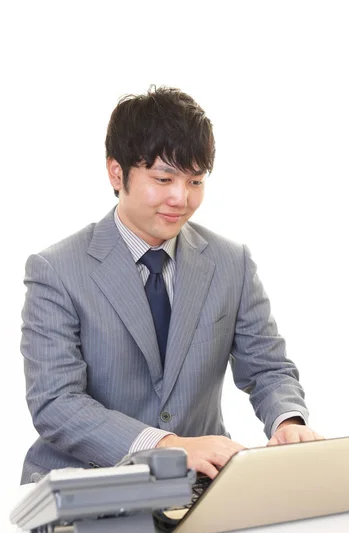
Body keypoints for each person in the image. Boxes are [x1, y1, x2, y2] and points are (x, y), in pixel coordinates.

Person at [20, 86, 322, 484]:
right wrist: (166, 444)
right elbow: (56, 404)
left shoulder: (232, 263)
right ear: (116, 172)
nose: (181, 198)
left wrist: (288, 420)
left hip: (200, 484)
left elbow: (268, 368)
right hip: (87, 483)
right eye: (163, 178)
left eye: (195, 182)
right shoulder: (55, 270)